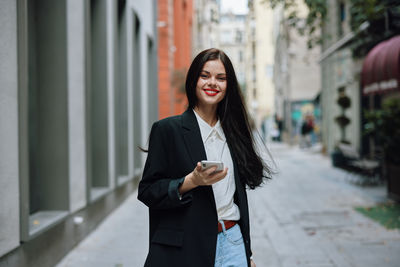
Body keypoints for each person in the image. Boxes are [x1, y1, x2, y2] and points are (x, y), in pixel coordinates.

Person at [137, 48, 272, 267]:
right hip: (186, 248)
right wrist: (190, 182)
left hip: (232, 242)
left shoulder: (235, 134)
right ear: (194, 80)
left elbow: (238, 198)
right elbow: (148, 191)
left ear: (228, 86)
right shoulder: (167, 130)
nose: (213, 83)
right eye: (205, 75)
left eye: (221, 78)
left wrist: (247, 253)